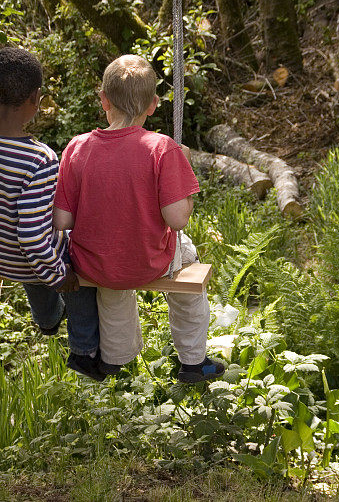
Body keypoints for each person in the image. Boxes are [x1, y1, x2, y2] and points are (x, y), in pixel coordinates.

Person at [52, 54, 225, 383]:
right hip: (147, 261)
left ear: (103, 100)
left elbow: (61, 221)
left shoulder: (76, 148)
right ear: (153, 105)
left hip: (95, 264)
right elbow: (177, 221)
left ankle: (115, 359)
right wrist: (183, 167)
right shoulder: (161, 148)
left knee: (111, 281)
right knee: (188, 262)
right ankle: (193, 360)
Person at [0, 47, 103, 381]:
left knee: (40, 258)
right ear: (37, 99)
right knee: (76, 256)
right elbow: (32, 239)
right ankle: (83, 350)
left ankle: (47, 321)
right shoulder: (40, 159)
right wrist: (59, 277)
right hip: (21, 256)